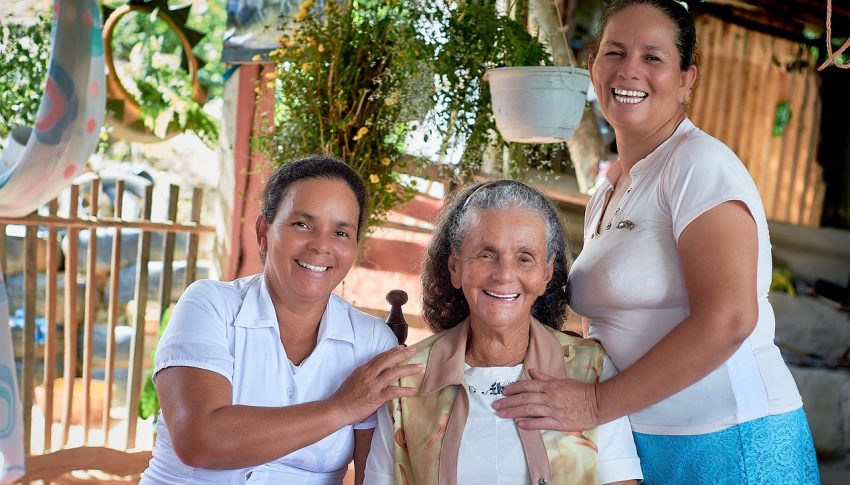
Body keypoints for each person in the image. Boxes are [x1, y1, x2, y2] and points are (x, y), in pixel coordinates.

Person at [493, 1, 820, 483]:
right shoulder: (610, 188)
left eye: (653, 57)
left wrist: (596, 402)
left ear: (687, 78)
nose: (629, 70)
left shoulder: (699, 165)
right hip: (646, 439)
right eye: (615, 52)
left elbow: (730, 319)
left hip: (731, 443)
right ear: (592, 66)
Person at [140, 155, 422, 484]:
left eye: (341, 232)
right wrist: (342, 407)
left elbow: (371, 475)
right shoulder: (210, 305)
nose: (321, 245)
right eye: (302, 224)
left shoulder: (372, 342)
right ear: (264, 232)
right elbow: (200, 441)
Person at [364, 180, 642, 484]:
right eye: (486, 254)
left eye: (525, 258)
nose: (504, 275)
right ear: (455, 267)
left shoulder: (592, 370)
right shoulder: (405, 381)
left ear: (546, 274)